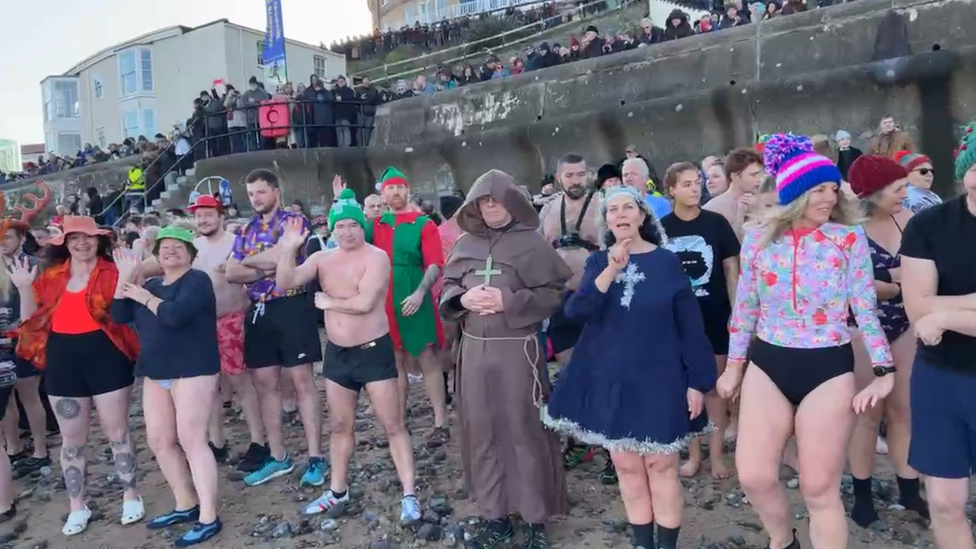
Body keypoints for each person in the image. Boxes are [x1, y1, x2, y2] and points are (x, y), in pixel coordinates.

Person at [717, 134, 895, 549]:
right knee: (756, 475)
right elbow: (745, 310)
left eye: (833, 188)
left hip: (827, 365)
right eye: (819, 189)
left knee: (819, 488)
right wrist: (733, 368)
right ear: (795, 192)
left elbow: (865, 308)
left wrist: (884, 369)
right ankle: (782, 542)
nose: (830, 198)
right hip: (768, 363)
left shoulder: (848, 239)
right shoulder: (759, 240)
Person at [544, 185, 716, 549]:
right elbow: (576, 313)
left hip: (662, 378)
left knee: (661, 465)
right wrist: (610, 269)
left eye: (628, 207)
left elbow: (690, 327)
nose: (620, 214)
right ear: (606, 221)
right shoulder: (596, 263)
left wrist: (697, 382)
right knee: (626, 465)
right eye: (613, 210)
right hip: (612, 378)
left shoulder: (668, 262)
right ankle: (643, 543)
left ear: (642, 215)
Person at [440, 171, 572, 549]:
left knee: (522, 429)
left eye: (496, 201)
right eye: (484, 202)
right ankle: (494, 515)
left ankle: (533, 519)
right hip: (473, 352)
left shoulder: (531, 244)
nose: (490, 208)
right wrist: (461, 300)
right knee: (481, 430)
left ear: (512, 202)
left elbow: (552, 295)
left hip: (517, 350)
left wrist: (508, 301)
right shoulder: (465, 243)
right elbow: (448, 288)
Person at [274, 189, 422, 523]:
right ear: (332, 229)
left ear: (361, 226)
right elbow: (285, 283)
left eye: (352, 225)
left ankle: (409, 494)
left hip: (374, 351)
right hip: (338, 355)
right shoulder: (322, 258)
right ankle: (337, 490)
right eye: (340, 226)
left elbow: (365, 303)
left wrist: (328, 303)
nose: (346, 232)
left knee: (393, 424)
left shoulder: (376, 257)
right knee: (340, 425)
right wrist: (287, 250)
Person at [12, 216, 143, 537]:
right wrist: (23, 287)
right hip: (63, 360)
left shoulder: (114, 271)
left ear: (99, 241)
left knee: (116, 430)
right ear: (65, 244)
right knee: (72, 437)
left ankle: (131, 494)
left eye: (88, 238)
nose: (81, 243)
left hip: (107, 357)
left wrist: (129, 278)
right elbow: (30, 319)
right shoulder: (51, 275)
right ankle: (77, 505)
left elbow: (127, 314)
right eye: (74, 239)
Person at [111, 227, 223, 546]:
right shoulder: (153, 282)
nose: (171, 251)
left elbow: (175, 316)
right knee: (160, 440)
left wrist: (143, 296)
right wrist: (126, 277)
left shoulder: (197, 281)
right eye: (165, 247)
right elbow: (118, 314)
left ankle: (209, 516)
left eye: (178, 247)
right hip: (155, 371)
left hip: (193, 369)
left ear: (191, 253)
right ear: (156, 253)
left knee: (192, 440)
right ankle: (185, 503)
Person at [142, 195, 268, 471]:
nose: (203, 220)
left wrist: (239, 272)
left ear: (221, 215)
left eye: (208, 214)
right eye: (199, 216)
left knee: (240, 383)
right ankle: (216, 443)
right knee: (206, 388)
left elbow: (259, 271)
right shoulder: (191, 247)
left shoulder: (236, 243)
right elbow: (154, 267)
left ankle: (259, 441)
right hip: (199, 328)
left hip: (232, 320)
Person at [899, 122, 976, 549]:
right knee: (945, 502)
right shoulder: (928, 226)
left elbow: (932, 312)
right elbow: (917, 308)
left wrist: (945, 318)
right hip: (942, 378)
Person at [224, 169, 325, 488]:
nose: (255, 198)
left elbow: (291, 258)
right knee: (265, 385)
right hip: (259, 311)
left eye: (261, 192)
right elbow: (230, 271)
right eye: (251, 193)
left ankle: (315, 457)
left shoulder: (294, 221)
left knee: (302, 382)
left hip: (293, 304)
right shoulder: (245, 229)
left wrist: (255, 261)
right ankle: (279, 456)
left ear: (276, 192)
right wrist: (272, 260)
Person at [844, 155, 928, 528]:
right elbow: (856, 289)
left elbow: (921, 271)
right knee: (867, 415)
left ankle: (909, 489)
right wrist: (897, 283)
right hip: (862, 329)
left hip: (905, 325)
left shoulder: (907, 219)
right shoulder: (849, 229)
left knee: (904, 410)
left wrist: (888, 284)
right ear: (873, 193)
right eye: (898, 189)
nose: (905, 194)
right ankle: (862, 495)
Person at [660, 162, 740, 480]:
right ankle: (694, 456)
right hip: (678, 321)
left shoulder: (717, 223)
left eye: (698, 182)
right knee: (687, 388)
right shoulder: (661, 228)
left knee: (716, 389)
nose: (695, 188)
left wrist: (737, 313)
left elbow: (732, 270)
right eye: (688, 184)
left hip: (716, 314)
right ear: (672, 190)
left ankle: (717, 456)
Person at [366, 167, 447, 438]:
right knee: (395, 359)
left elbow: (435, 263)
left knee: (426, 357)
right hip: (384, 299)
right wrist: (341, 200)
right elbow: (344, 232)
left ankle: (440, 421)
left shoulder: (424, 224)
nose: (396, 192)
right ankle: (398, 421)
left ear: (408, 190)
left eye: (400, 187)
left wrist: (421, 292)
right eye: (391, 188)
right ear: (383, 193)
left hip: (415, 293)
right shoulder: (376, 224)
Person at [537, 154, 604, 472]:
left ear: (588, 175)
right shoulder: (548, 210)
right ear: (559, 176)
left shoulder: (605, 204)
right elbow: (537, 251)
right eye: (570, 175)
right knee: (570, 371)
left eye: (580, 174)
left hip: (597, 298)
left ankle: (613, 444)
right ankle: (580, 441)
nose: (576, 180)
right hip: (561, 300)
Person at [0, 218, 50, 474]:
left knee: (28, 394)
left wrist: (17, 329)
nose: (2, 241)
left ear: (21, 239)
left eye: (7, 236)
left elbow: (42, 305)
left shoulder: (34, 265)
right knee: (4, 399)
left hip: (25, 340)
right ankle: (13, 448)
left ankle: (40, 450)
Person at [703, 148, 766, 241]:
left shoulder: (766, 202)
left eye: (761, 174)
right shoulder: (712, 210)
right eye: (753, 175)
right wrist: (740, 216)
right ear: (735, 177)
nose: (759, 179)